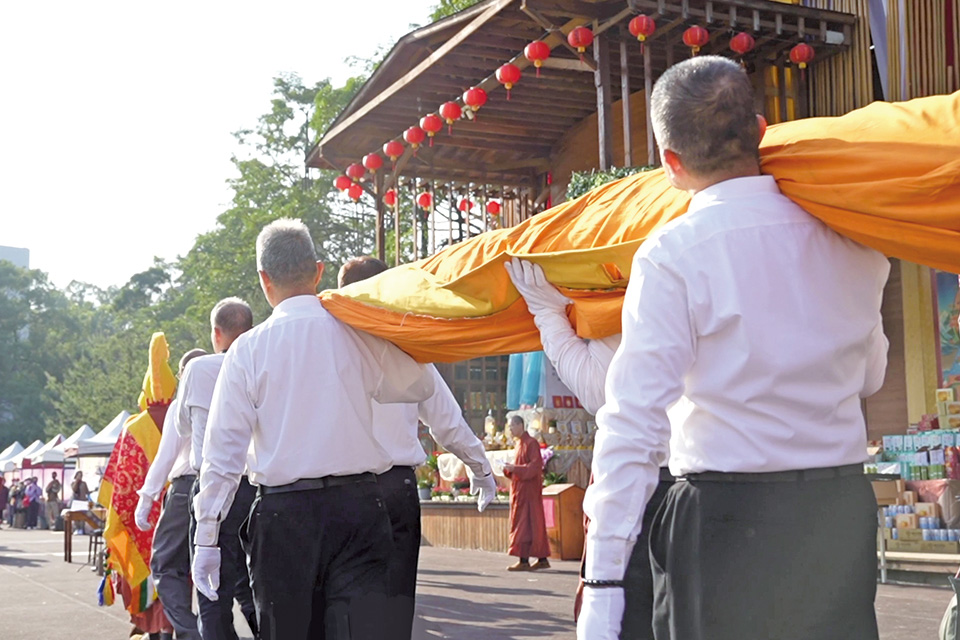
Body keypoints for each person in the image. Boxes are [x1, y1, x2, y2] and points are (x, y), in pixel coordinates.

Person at [577, 56, 889, 640]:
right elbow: (871, 375)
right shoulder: (855, 237)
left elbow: (633, 422)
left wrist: (603, 581)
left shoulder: (674, 251)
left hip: (722, 518)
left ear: (671, 162)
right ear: (761, 130)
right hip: (836, 509)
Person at [192, 218, 435, 640]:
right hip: (361, 507)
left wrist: (207, 537)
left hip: (286, 515)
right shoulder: (359, 334)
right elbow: (419, 383)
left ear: (264, 280)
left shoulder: (248, 350)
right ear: (319, 271)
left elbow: (222, 455)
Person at [505, 257, 673, 640]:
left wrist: (546, 312)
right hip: (730, 481)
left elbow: (603, 396)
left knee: (633, 613)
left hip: (648, 485)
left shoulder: (653, 276)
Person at [339, 255, 498, 638]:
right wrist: (481, 468)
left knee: (340, 610)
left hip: (338, 492)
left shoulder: (324, 350)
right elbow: (447, 421)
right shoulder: (406, 349)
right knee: (393, 612)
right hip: (394, 489)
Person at [175, 299, 257, 640]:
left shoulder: (197, 369)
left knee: (212, 592)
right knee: (260, 587)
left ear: (215, 333)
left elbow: (182, 427)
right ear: (250, 331)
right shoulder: (262, 361)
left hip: (211, 491)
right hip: (257, 488)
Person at [135, 348, 208, 640]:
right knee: (218, 568)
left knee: (165, 565)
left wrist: (146, 497)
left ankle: (192, 633)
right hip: (231, 486)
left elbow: (166, 456)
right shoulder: (230, 396)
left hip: (186, 488)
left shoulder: (182, 402)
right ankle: (215, 630)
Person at [502, 414, 550, 572]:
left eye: (512, 426)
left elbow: (535, 467)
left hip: (529, 492)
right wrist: (509, 469)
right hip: (520, 490)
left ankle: (526, 560)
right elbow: (520, 467)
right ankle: (539, 559)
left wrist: (515, 469)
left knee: (529, 525)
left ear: (520, 425)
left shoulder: (531, 443)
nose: (510, 430)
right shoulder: (519, 444)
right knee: (525, 525)